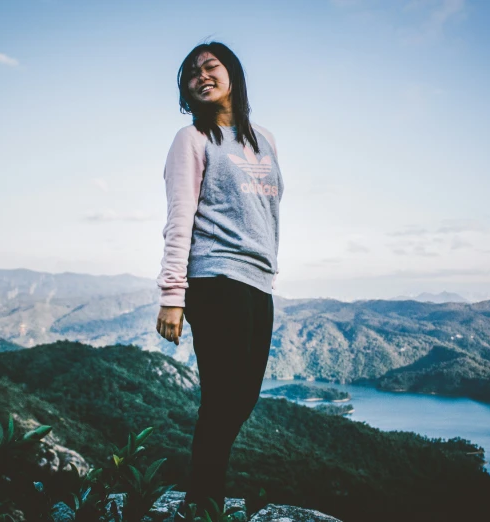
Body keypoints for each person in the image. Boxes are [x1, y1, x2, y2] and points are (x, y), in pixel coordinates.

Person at [154, 41, 284, 517]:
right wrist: (173, 294)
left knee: (242, 398)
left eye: (210, 66)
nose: (201, 75)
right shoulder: (190, 141)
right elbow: (180, 215)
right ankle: (202, 502)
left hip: (258, 281)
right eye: (191, 73)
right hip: (213, 277)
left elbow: (265, 213)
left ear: (233, 72)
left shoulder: (264, 139)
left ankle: (201, 496)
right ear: (187, 92)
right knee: (223, 397)